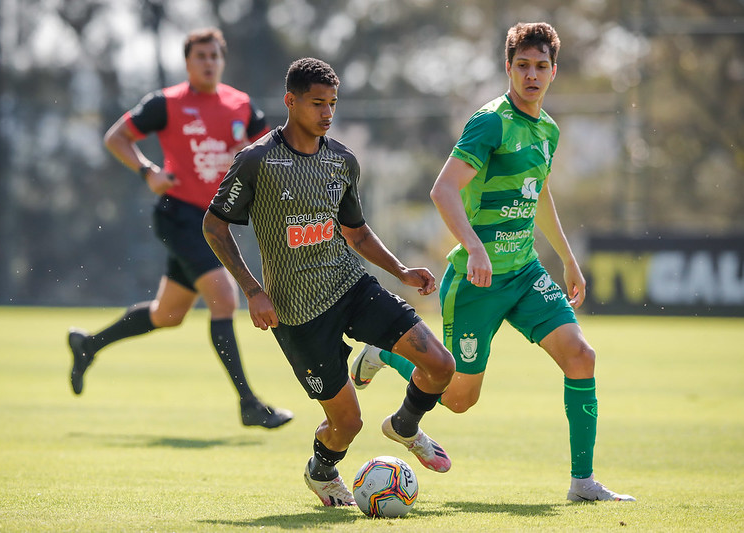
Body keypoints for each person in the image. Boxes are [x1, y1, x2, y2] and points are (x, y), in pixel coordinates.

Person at [351, 22, 635, 502]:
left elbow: (539, 193)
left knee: (582, 356)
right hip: (475, 282)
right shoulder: (490, 122)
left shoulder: (548, 129)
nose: (532, 74)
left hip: (525, 274)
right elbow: (443, 190)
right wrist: (476, 247)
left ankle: (582, 483)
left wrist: (567, 259)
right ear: (508, 68)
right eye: (522, 65)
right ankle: (388, 355)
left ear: (553, 71)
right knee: (459, 400)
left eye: (541, 66)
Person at [202, 57, 456, 507]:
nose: (326, 113)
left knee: (441, 364)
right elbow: (215, 226)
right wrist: (253, 290)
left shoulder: (341, 160)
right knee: (347, 424)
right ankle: (321, 472)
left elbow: (355, 232)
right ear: (290, 101)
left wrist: (400, 271)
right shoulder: (258, 161)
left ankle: (405, 425)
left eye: (332, 103)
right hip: (297, 316)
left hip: (350, 287)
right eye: (317, 103)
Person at [67, 27, 293, 430]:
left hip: (215, 220)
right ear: (187, 62)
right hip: (179, 215)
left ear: (222, 61)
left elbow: (269, 154)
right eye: (200, 56)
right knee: (224, 299)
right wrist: (147, 171)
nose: (208, 62)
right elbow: (116, 138)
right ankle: (248, 404)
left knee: (167, 315)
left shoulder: (241, 105)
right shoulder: (166, 103)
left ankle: (88, 345)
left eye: (214, 56)